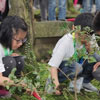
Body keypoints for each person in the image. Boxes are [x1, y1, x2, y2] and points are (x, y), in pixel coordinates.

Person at [48, 13, 98, 95]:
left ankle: (83, 83)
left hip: (79, 65)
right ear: (73, 28)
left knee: (96, 57)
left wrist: (89, 48)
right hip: (62, 68)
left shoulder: (90, 36)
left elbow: (95, 54)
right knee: (76, 67)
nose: (84, 39)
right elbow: (53, 67)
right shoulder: (66, 42)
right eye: (81, 35)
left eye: (87, 36)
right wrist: (56, 86)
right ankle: (52, 84)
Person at [0, 16, 28, 97]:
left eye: (23, 40)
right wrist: (18, 83)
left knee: (19, 60)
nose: (21, 43)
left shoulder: (6, 45)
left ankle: (9, 87)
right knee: (10, 62)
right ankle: (1, 89)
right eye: (18, 40)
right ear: (7, 35)